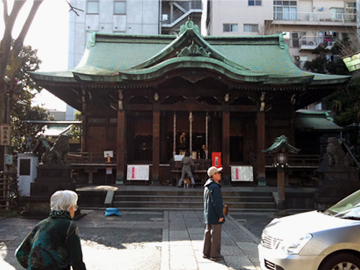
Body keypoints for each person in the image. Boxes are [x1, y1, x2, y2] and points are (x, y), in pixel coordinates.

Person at [15, 190, 86, 270]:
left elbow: (20, 254)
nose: (75, 210)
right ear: (70, 208)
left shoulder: (41, 224)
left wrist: (33, 265)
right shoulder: (69, 226)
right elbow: (76, 260)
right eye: (75, 207)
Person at [203, 166, 225, 261]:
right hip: (215, 214)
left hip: (208, 213)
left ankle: (206, 252)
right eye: (218, 173)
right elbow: (217, 203)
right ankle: (215, 254)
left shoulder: (207, 186)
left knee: (208, 232)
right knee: (216, 233)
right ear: (213, 175)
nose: (220, 175)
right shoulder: (215, 187)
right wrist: (220, 215)